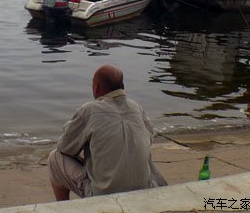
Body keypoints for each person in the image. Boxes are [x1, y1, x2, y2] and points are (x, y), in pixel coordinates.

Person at [48, 65, 167, 201]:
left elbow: (64, 147)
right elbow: (149, 139)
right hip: (144, 189)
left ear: (96, 88)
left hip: (102, 196)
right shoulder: (137, 108)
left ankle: (63, 207)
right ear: (122, 86)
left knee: (55, 159)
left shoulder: (89, 111)